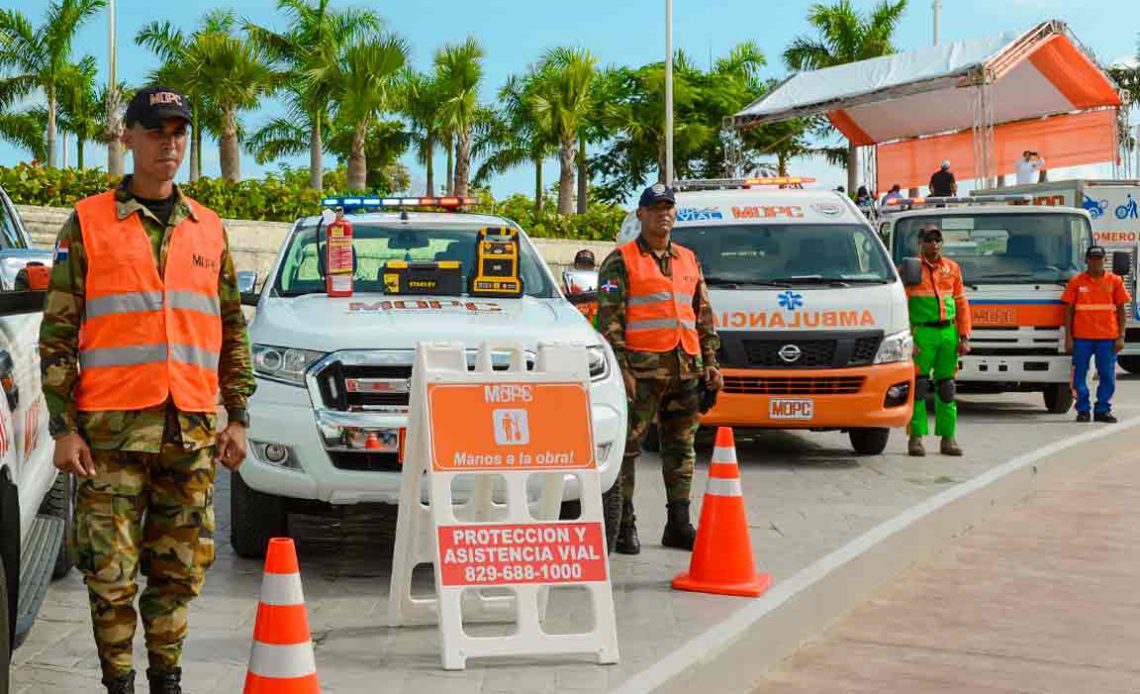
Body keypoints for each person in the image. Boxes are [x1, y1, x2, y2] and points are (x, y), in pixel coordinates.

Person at [39, 86, 255, 694]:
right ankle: (119, 685)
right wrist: (63, 429)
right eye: (157, 131)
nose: (170, 143)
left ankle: (167, 682)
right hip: (108, 435)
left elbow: (231, 325)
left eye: (179, 132)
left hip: (188, 432)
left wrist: (237, 414)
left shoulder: (208, 228)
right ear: (128, 137)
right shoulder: (88, 222)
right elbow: (57, 333)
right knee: (108, 573)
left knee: (178, 572)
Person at [596, 183, 723, 555]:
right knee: (628, 450)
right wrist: (621, 370)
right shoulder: (621, 260)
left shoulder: (688, 258)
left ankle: (679, 524)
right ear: (641, 215)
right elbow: (609, 320)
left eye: (669, 207)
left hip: (686, 369)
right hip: (641, 372)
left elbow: (702, 316)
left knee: (682, 449)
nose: (663, 214)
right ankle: (625, 526)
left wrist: (711, 364)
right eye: (655, 208)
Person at [906, 223, 970, 457]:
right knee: (919, 387)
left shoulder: (952, 268)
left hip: (947, 333)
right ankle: (915, 438)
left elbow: (962, 303)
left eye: (936, 240)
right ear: (920, 243)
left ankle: (948, 438)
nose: (933, 244)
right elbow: (902, 305)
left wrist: (964, 336)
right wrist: (907, 338)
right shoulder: (910, 269)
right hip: (922, 333)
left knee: (947, 388)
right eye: (928, 240)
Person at [1062, 245, 1130, 423]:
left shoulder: (1115, 281)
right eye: (1093, 259)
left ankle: (1102, 409)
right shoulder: (1076, 282)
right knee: (1079, 376)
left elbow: (1122, 311)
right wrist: (1068, 338)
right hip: (1082, 338)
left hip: (1107, 338)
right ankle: (1083, 409)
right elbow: (1068, 311)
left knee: (1107, 375)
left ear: (1104, 261)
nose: (1096, 262)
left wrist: (1121, 336)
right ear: (1086, 261)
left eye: (1099, 259)